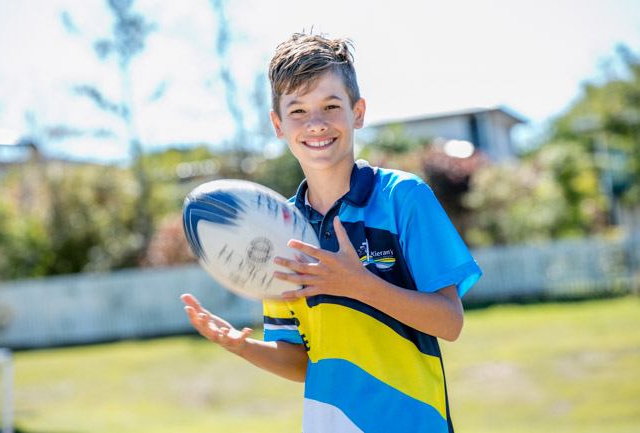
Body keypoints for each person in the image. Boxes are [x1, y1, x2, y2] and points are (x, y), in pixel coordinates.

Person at [181, 32, 482, 433]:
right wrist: (240, 345)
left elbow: (450, 322)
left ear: (357, 113)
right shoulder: (277, 231)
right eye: (298, 111)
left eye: (330, 105)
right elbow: (301, 361)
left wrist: (359, 284)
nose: (316, 124)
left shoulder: (402, 199)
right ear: (277, 124)